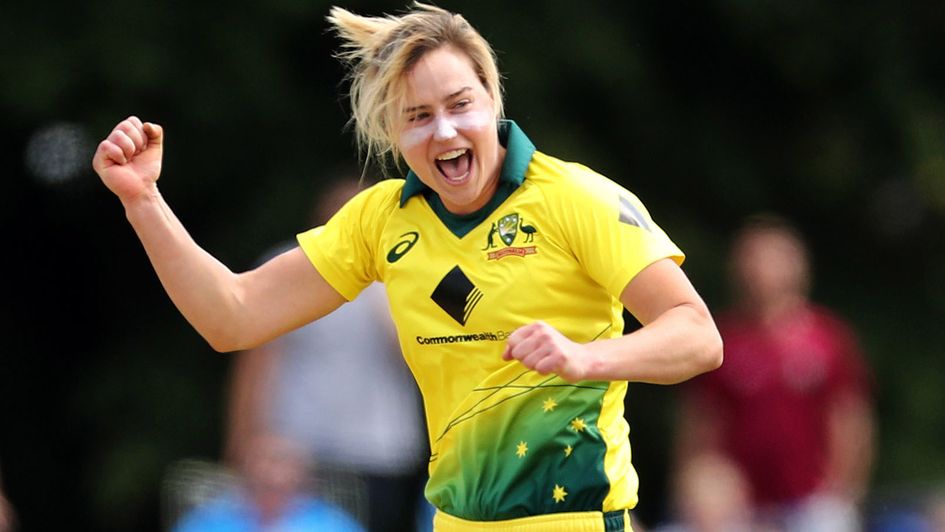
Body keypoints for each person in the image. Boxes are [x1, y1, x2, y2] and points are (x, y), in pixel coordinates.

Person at [91, 4, 723, 530]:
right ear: (391, 131)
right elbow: (232, 316)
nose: (445, 132)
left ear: (492, 98)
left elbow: (697, 335)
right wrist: (142, 200)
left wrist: (588, 358)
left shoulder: (576, 198)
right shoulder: (380, 221)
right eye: (418, 117)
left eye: (460, 104)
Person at [226, 178, 429, 531]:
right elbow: (255, 363)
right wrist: (242, 442)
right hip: (298, 453)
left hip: (382, 452)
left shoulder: (408, 274)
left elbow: (425, 359)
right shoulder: (285, 268)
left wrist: (383, 291)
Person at [674, 215, 874, 532]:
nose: (761, 269)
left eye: (772, 258)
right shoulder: (723, 338)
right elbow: (702, 421)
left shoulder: (827, 338)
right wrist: (699, 483)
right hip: (737, 507)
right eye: (752, 258)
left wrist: (843, 492)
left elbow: (850, 419)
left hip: (812, 504)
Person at [173, 432, 364, 532]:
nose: (270, 498)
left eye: (281, 489)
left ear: (303, 485)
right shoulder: (208, 521)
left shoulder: (333, 525)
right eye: (261, 487)